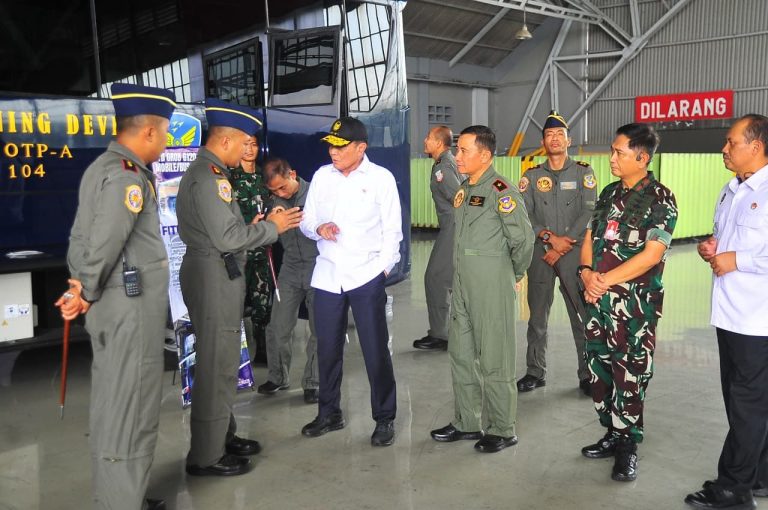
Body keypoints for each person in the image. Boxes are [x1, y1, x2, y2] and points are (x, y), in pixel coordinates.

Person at [55, 83, 176, 510]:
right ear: (147, 133)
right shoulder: (127, 176)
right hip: (131, 314)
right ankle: (123, 502)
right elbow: (105, 240)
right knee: (132, 406)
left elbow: (79, 237)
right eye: (165, 134)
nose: (165, 143)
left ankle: (119, 495)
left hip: (116, 309)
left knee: (115, 400)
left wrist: (79, 284)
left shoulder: (100, 168)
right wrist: (85, 287)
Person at [176, 99, 302, 477]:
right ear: (227, 140)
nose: (248, 150)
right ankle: (206, 456)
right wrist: (273, 228)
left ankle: (220, 438)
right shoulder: (209, 178)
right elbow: (229, 236)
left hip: (217, 272)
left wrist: (261, 223)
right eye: (244, 142)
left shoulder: (210, 173)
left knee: (219, 361)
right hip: (213, 275)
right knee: (218, 366)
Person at [578, 123, 677, 482]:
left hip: (633, 310)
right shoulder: (606, 194)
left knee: (630, 375)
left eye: (619, 152)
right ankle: (611, 431)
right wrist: (587, 273)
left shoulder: (660, 198)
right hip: (598, 303)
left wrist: (604, 280)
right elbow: (589, 237)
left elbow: (652, 254)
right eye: (613, 150)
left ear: (642, 157)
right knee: (599, 371)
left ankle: (627, 445)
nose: (612, 158)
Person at [430, 125, 534, 453]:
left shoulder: (502, 190)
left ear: (485, 156)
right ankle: (467, 421)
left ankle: (502, 428)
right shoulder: (464, 188)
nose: (457, 156)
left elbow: (523, 240)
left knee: (495, 358)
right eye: (457, 150)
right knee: (460, 353)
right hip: (463, 284)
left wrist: (509, 273)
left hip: (491, 285)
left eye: (463, 151)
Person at [299, 116, 402, 447]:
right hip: (328, 275)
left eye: (341, 147)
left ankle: (384, 418)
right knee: (327, 349)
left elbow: (392, 232)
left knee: (375, 352)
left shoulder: (380, 179)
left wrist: (382, 270)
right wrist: (319, 228)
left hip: (366, 274)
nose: (333, 152)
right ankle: (329, 413)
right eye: (331, 145)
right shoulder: (321, 177)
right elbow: (307, 219)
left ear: (361, 148)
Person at [685, 114, 768, 510]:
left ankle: (735, 488)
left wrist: (740, 258)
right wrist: (713, 248)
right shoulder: (730, 189)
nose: (724, 148)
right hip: (730, 316)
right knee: (748, 402)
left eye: (731, 142)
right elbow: (726, 239)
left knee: (746, 405)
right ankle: (761, 473)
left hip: (758, 319)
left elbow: (750, 255)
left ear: (756, 146)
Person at [517, 111, 596, 395]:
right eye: (549, 135)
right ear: (543, 141)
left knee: (581, 315)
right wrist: (549, 239)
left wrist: (565, 243)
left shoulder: (583, 172)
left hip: (574, 254)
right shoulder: (531, 176)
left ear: (568, 140)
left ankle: (588, 374)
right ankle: (535, 371)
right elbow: (523, 213)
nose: (555, 138)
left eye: (559, 134)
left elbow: (589, 210)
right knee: (537, 316)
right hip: (541, 253)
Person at [256, 158, 320, 404]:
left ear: (293, 174)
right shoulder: (272, 202)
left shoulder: (317, 193)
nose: (279, 194)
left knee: (319, 329)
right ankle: (278, 376)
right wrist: (270, 222)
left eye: (282, 187)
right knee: (278, 326)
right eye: (273, 191)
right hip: (290, 269)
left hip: (319, 267)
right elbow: (262, 235)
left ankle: (314, 381)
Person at [413, 125, 462, 351]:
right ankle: (444, 331)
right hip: (450, 227)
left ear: (439, 143)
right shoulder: (443, 163)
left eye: (428, 138)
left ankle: (442, 334)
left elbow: (460, 199)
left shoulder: (443, 168)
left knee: (436, 278)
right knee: (443, 279)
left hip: (454, 227)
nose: (425, 141)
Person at [230, 134, 272, 365]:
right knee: (235, 300)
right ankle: (236, 354)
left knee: (262, 301)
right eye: (244, 144)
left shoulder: (264, 178)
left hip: (262, 251)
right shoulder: (229, 178)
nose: (249, 149)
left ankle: (262, 348)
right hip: (238, 252)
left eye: (254, 144)